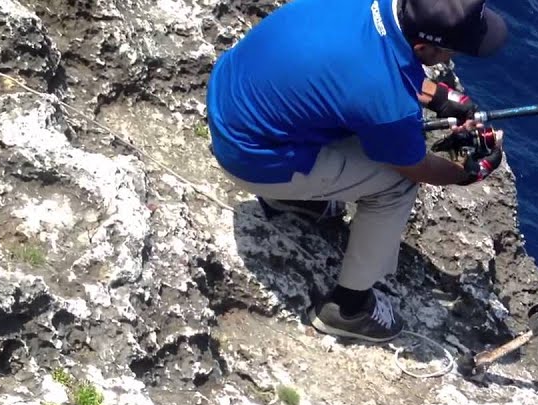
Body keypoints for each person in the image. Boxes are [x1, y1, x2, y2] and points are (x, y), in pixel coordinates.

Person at [206, 0, 509, 342]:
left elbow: (359, 62)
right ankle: (346, 308)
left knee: (344, 115)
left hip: (229, 103)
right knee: (395, 185)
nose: (450, 61)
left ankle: (298, 199)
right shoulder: (385, 99)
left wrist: (436, 94)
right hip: (250, 158)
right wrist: (468, 172)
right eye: (449, 53)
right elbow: (414, 168)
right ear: (423, 46)